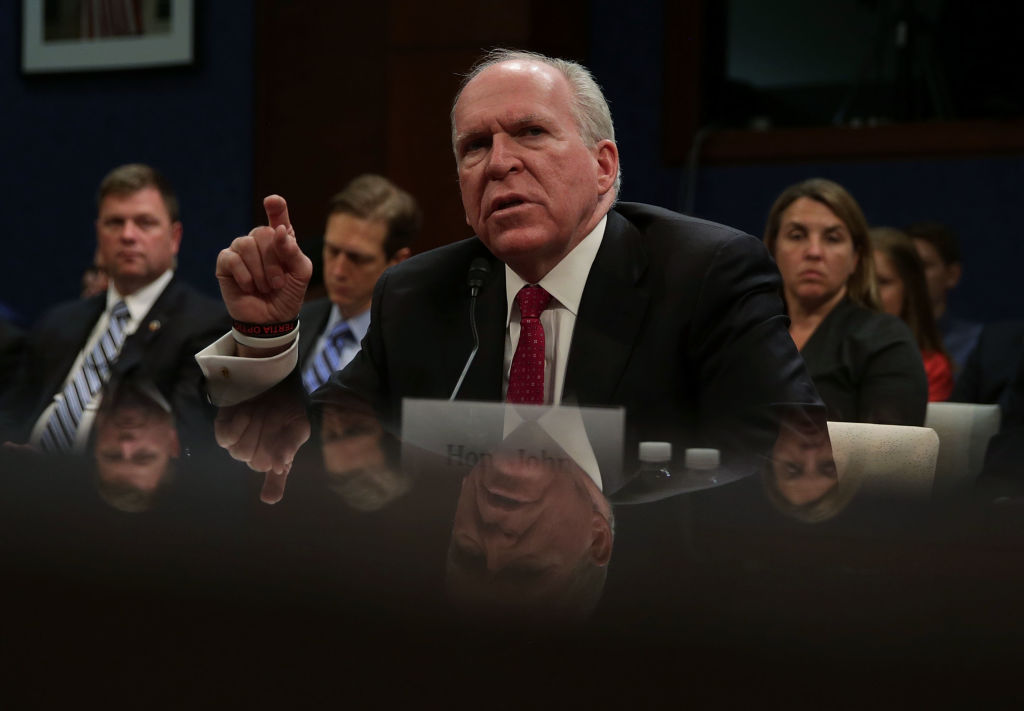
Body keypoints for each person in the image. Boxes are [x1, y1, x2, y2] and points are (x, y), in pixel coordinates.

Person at [197, 49, 821, 462]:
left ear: (604, 167)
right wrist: (264, 336)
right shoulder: (418, 295)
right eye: (474, 147)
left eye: (530, 133)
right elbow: (311, 459)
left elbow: (782, 464)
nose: (499, 163)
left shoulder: (707, 274)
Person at [0, 164, 229, 451]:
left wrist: (60, 471)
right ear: (99, 233)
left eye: (145, 223)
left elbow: (185, 439)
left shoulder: (205, 325)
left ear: (174, 238)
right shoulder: (59, 321)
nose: (128, 235)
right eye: (115, 223)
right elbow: (11, 412)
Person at [763, 178, 928, 425]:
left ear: (856, 258)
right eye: (797, 236)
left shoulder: (884, 339)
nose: (814, 251)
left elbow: (891, 453)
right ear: (772, 248)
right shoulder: (750, 334)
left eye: (832, 238)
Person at [298, 174, 419, 393]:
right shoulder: (295, 323)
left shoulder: (412, 347)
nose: (338, 271)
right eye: (333, 251)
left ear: (397, 262)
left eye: (357, 258)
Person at [870, 227, 954, 402]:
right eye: (861, 281)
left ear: (910, 290)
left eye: (882, 282)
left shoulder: (931, 368)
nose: (870, 294)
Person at [904, 221, 982, 373]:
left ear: (952, 275)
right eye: (907, 266)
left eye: (923, 265)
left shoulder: (978, 344)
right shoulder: (879, 340)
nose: (913, 275)